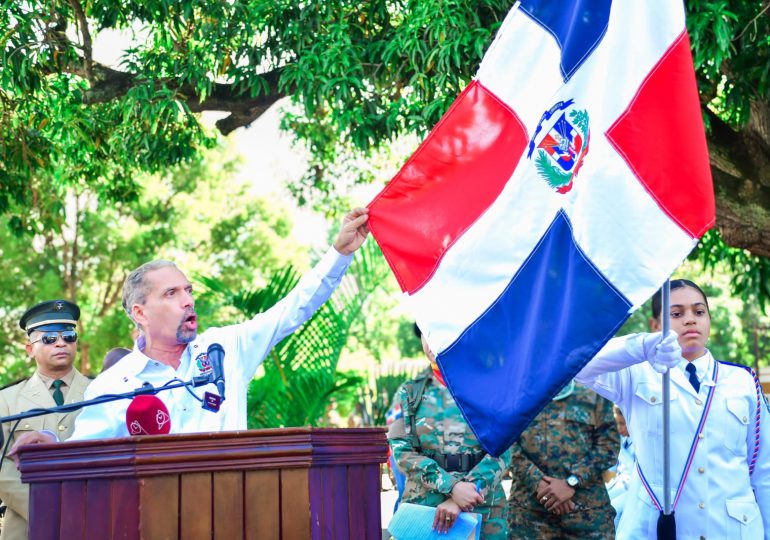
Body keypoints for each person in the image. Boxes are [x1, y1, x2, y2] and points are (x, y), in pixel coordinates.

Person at [10, 208, 369, 448]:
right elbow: (86, 452)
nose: (187, 301)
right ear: (140, 312)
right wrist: (51, 446)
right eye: (171, 293)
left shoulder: (225, 348)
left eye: (188, 290)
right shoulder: (113, 385)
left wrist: (339, 253)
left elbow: (294, 309)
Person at [576, 279, 770, 539]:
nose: (690, 320)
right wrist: (640, 347)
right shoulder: (635, 374)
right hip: (658, 529)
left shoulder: (742, 381)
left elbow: (764, 471)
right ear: (656, 326)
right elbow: (579, 364)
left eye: (699, 312)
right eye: (676, 314)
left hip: (730, 529)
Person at [387, 325, 510, 539]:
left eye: (437, 331)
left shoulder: (491, 389)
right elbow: (402, 453)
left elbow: (504, 449)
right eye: (426, 334)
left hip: (483, 509)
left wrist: (463, 496)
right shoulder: (410, 392)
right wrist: (452, 487)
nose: (430, 342)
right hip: (426, 509)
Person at [0, 300, 91, 540]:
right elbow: (3, 469)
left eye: (68, 336)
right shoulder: (6, 400)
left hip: (92, 519)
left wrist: (82, 510)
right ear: (30, 349)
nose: (61, 343)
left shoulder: (101, 391)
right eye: (49, 338)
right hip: (28, 526)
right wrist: (48, 510)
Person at [507, 380, 618, 539]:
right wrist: (538, 482)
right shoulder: (514, 394)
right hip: (529, 518)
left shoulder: (594, 389)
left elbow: (608, 445)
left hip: (587, 517)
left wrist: (571, 482)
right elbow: (504, 445)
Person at [605, 405, 635, 528]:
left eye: (622, 423)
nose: (619, 428)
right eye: (617, 423)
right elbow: (613, 468)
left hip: (633, 488)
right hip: (619, 485)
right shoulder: (622, 440)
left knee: (614, 512)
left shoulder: (638, 443)